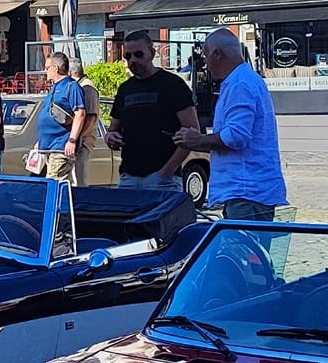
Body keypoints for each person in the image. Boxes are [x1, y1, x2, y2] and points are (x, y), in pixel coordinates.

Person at [174, 28, 287, 221]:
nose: (205, 63)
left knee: (242, 251)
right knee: (247, 251)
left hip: (245, 192)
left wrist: (199, 140)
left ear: (217, 54)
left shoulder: (240, 84)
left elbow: (236, 137)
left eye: (206, 55)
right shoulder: (243, 81)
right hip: (248, 192)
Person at [106, 32, 197, 190]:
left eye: (139, 54)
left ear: (152, 53)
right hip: (129, 177)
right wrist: (111, 137)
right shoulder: (125, 89)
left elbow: (192, 132)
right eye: (128, 56)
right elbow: (113, 129)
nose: (133, 60)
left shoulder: (173, 84)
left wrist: (166, 172)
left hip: (163, 178)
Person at [32, 54, 91, 182]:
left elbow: (80, 114)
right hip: (49, 145)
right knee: (60, 184)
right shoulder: (55, 87)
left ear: (55, 68)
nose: (45, 70)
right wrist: (41, 141)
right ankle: (64, 202)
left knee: (54, 183)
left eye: (47, 67)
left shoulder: (71, 87)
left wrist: (72, 140)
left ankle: (57, 203)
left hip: (61, 145)